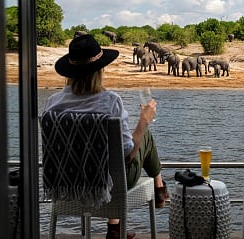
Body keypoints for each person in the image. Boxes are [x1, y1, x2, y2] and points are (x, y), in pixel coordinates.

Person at [43, 34, 169, 239]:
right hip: (107, 186)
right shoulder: (111, 101)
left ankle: (117, 227)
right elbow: (127, 155)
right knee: (144, 136)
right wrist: (143, 122)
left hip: (65, 183)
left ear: (70, 71)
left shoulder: (52, 104)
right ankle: (159, 189)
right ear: (100, 70)